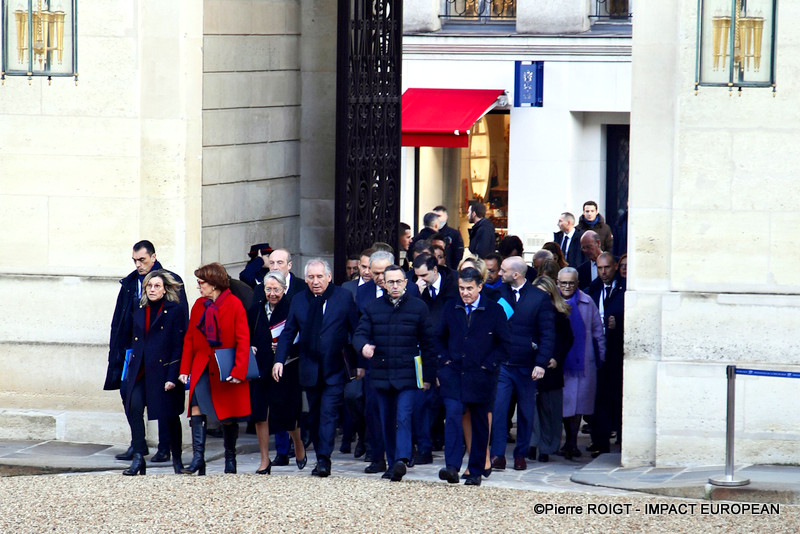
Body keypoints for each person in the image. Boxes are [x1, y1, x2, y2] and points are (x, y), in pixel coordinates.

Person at [273, 259, 359, 477]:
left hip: (335, 367)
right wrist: (279, 360)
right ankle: (320, 451)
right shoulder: (299, 300)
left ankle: (323, 459)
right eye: (311, 277)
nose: (315, 281)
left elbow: (356, 330)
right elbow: (288, 332)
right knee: (315, 415)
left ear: (329, 277)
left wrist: (360, 362)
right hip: (310, 367)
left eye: (320, 276)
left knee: (329, 413)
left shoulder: (343, 297)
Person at [105, 240, 188, 464]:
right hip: (136, 350)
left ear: (153, 257)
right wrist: (118, 351)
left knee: (163, 402)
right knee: (130, 396)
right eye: (134, 260)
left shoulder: (170, 280)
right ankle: (138, 446)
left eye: (142, 259)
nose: (138, 264)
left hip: (161, 353)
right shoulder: (131, 283)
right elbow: (121, 320)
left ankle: (165, 447)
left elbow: (180, 324)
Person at [353, 265, 436, 482]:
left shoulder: (418, 308)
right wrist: (363, 347)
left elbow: (429, 344)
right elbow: (360, 333)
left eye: (399, 281)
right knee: (387, 420)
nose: (395, 286)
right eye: (390, 282)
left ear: (406, 282)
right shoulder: (373, 307)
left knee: (403, 416)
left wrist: (427, 377)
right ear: (384, 284)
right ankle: (392, 465)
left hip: (408, 374)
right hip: (381, 374)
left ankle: (401, 458)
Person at [436, 267, 510, 486]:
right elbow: (438, 337)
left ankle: (476, 470)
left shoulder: (494, 310)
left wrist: (489, 365)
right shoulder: (451, 307)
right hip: (454, 375)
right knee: (453, 415)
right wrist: (444, 361)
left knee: (479, 423)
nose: (465, 292)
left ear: (480, 286)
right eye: (461, 288)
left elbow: (505, 343)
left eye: (469, 288)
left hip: (482, 377)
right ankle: (451, 467)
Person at [179, 263, 252, 475]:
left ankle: (230, 459)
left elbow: (242, 339)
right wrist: (185, 369)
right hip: (202, 365)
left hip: (225, 367)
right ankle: (197, 460)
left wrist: (239, 371)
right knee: (196, 409)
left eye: (202, 283)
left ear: (214, 284)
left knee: (227, 416)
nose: (199, 287)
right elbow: (190, 338)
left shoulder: (234, 304)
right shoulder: (199, 305)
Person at [489, 256, 555, 472]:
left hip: (528, 366)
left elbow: (548, 334)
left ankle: (521, 455)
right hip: (503, 365)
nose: (500, 273)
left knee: (526, 413)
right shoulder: (497, 294)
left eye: (504, 270)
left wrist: (541, 363)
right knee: (499, 411)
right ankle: (498, 454)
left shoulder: (539, 298)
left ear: (515, 274)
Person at [120, 270, 187, 476]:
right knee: (134, 408)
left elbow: (179, 346)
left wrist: (172, 377)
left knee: (169, 416)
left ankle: (177, 460)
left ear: (164, 288)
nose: (152, 289)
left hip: (164, 370)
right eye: (149, 286)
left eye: (157, 286)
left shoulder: (174, 310)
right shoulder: (140, 310)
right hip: (140, 370)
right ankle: (139, 457)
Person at [247, 270, 307, 474]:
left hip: (286, 369)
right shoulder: (255, 310)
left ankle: (298, 444)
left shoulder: (293, 308)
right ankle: (265, 460)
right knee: (260, 414)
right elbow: (246, 335)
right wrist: (251, 347)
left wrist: (286, 349)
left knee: (287, 414)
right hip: (261, 369)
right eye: (268, 289)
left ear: (284, 289)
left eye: (276, 289)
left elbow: (302, 339)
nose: (272, 293)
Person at [556, 266, 605, 460]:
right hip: (560, 361)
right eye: (563, 283)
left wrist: (602, 356)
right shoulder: (552, 301)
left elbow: (597, 332)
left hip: (583, 361)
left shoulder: (587, 302)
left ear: (577, 283)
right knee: (564, 403)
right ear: (558, 283)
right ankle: (565, 441)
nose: (567, 286)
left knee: (578, 405)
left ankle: (572, 442)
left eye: (571, 283)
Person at [528, 276, 573, 463]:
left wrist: (556, 358)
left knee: (550, 411)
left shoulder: (559, 314)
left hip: (551, 369)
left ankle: (546, 447)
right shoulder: (527, 312)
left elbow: (566, 339)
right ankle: (532, 444)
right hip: (531, 366)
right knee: (531, 410)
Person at [587, 252, 625, 457]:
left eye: (607, 268)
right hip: (596, 351)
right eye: (600, 268)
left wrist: (618, 324)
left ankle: (621, 436)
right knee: (598, 398)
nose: (603, 272)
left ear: (615, 266)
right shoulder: (594, 288)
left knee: (616, 395)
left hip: (617, 351)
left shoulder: (624, 288)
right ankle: (600, 440)